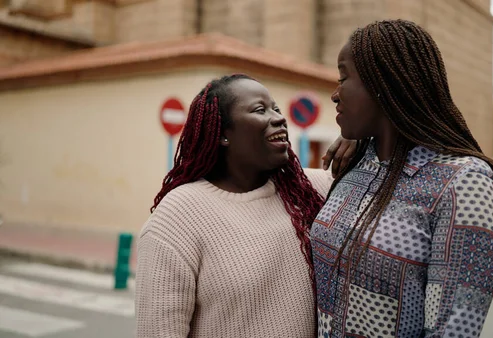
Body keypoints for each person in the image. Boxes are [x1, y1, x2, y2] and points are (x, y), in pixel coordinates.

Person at [310, 19, 493, 338]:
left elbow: (452, 330)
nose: (335, 95)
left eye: (343, 78)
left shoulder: (464, 182)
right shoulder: (356, 164)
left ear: (384, 84)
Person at [135, 73, 355, 337]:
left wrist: (363, 142)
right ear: (223, 134)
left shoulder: (312, 189)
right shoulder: (177, 218)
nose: (278, 118)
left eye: (276, 108)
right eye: (260, 110)